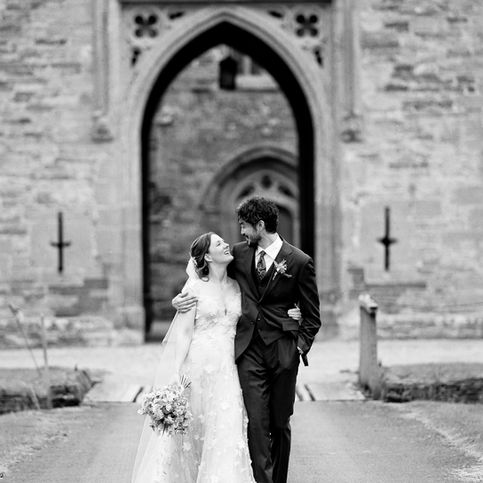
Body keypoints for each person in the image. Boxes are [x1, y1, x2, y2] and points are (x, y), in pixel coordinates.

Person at [131, 231, 302, 482]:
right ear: (208, 257)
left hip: (230, 367)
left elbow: (266, 304)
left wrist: (294, 312)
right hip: (199, 365)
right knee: (194, 431)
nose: (226, 244)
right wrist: (177, 370)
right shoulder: (194, 288)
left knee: (226, 429)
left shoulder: (239, 285)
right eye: (219, 243)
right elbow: (185, 332)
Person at [173, 197, 321, 483]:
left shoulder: (300, 262)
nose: (240, 232)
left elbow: (313, 317)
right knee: (256, 422)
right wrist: (179, 300)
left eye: (244, 225)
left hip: (282, 351)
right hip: (248, 352)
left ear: (260, 225)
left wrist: (297, 346)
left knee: (279, 424)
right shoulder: (238, 255)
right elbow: (205, 276)